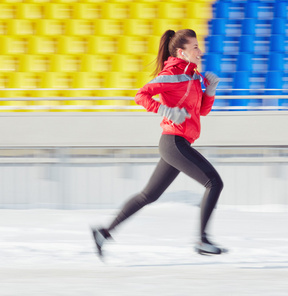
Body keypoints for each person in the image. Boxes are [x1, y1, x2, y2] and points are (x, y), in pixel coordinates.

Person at [92, 29, 223, 257]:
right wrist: (166, 110)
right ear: (181, 52)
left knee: (148, 195)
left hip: (180, 143)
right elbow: (141, 95)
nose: (200, 52)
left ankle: (104, 232)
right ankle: (202, 241)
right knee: (214, 182)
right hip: (173, 141)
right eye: (195, 48)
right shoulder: (171, 74)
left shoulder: (195, 77)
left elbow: (201, 111)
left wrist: (210, 90)